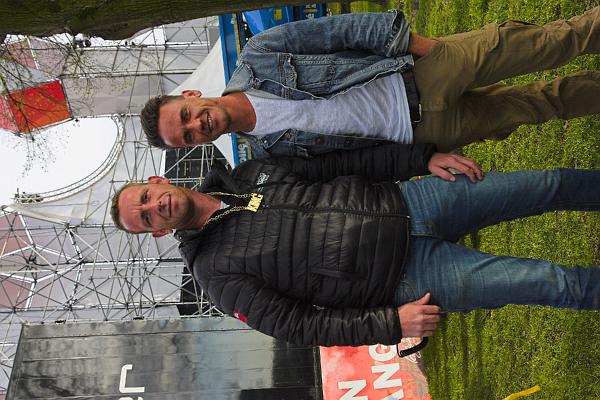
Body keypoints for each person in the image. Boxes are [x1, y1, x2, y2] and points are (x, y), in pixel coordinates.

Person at [110, 144, 599, 347]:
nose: (156, 207)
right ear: (157, 233)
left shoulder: (250, 171)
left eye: (147, 198)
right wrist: (391, 324)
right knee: (553, 282)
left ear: (157, 181)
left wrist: (422, 159)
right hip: (407, 279)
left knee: (549, 184)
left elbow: (344, 161)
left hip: (412, 201)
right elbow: (297, 325)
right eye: (146, 217)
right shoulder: (216, 275)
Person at [140, 7, 600, 158]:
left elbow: (336, 32)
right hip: (424, 133)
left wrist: (417, 45)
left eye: (186, 115)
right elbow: (350, 167)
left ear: (190, 94)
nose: (197, 125)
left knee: (553, 42)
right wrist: (425, 158)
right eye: (188, 136)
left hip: (418, 72)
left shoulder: (259, 54)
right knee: (542, 105)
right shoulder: (267, 155)